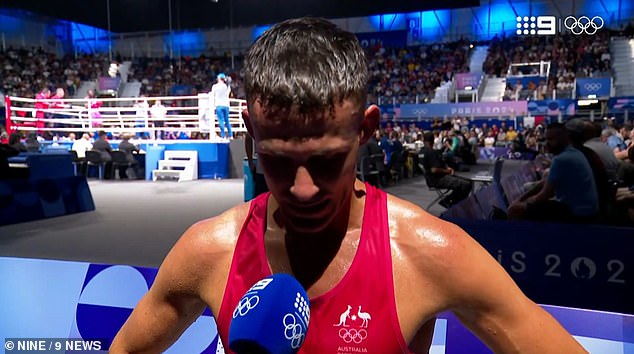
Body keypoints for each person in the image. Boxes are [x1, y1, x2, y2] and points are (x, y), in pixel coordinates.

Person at [110, 18, 585, 354]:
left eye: (327, 161)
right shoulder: (208, 250)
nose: (301, 189)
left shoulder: (429, 252)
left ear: (366, 130)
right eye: (277, 161)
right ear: (250, 137)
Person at [507, 123, 598, 222]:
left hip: (577, 214)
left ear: (563, 138)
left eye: (551, 139)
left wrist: (521, 203)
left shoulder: (561, 159)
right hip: (586, 210)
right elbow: (545, 182)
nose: (546, 144)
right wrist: (521, 198)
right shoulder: (575, 153)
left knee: (515, 210)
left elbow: (544, 195)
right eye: (546, 139)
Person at [420, 131, 472, 207]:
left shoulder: (421, 152)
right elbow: (434, 170)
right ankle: (452, 204)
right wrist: (447, 171)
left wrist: (447, 168)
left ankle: (450, 201)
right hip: (438, 179)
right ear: (433, 140)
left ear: (423, 140)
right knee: (467, 184)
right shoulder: (431, 152)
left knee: (465, 182)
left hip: (431, 179)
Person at [211, 73, 232, 140]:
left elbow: (212, 94)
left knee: (221, 121)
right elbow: (229, 93)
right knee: (227, 121)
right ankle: (230, 135)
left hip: (219, 105)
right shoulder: (227, 86)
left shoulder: (215, 86)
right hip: (226, 105)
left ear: (219, 79)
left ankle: (223, 136)